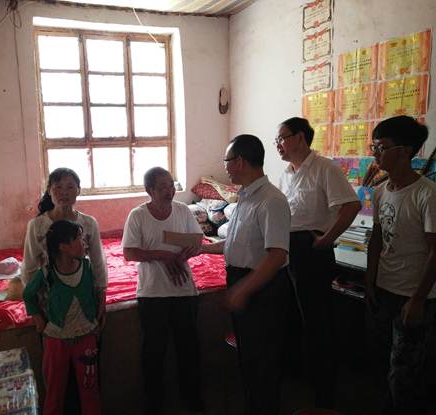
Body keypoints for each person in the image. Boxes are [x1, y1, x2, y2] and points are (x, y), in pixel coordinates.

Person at [202, 135, 293, 415]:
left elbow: (277, 256)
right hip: (245, 283)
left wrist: (242, 289)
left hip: (263, 289)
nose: (226, 167)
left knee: (264, 361)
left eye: (227, 161)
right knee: (249, 357)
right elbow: (236, 243)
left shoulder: (271, 200)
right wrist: (201, 247)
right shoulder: (244, 197)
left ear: (240, 161)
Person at [276, 117, 361, 408]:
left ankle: (325, 392)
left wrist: (327, 238)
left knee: (317, 322)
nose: (278, 145)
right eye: (277, 140)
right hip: (288, 249)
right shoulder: (286, 174)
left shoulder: (325, 168)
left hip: (311, 250)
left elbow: (352, 205)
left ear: (300, 137)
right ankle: (300, 378)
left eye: (282, 138)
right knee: (292, 316)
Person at [364, 116, 436, 414]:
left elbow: (435, 251)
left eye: (381, 147)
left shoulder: (427, 194)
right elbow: (377, 240)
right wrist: (370, 281)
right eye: (374, 147)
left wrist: (417, 299)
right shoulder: (381, 191)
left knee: (404, 374)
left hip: (413, 296)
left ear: (405, 151)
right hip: (384, 290)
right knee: (381, 365)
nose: (375, 153)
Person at [122, 167, 204, 415]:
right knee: (154, 352)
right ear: (150, 191)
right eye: (162, 187)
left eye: (171, 185)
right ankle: (154, 403)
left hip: (183, 291)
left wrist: (186, 253)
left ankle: (192, 399)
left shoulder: (182, 211)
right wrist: (162, 255)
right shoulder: (138, 215)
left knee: (188, 348)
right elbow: (129, 253)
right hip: (152, 293)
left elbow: (197, 240)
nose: (169, 191)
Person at [23, 220, 102, 415]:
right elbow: (28, 294)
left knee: (90, 389)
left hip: (85, 336)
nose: (84, 243)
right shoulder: (47, 273)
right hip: (56, 339)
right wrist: (38, 318)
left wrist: (96, 319)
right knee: (55, 391)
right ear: (63, 247)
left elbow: (96, 292)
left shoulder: (87, 267)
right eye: (78, 239)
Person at [21, 167, 107, 327]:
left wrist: (102, 297)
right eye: (58, 187)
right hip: (50, 294)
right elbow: (29, 266)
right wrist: (35, 309)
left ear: (78, 191)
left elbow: (98, 262)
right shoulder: (37, 225)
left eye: (70, 187)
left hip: (83, 289)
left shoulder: (88, 223)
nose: (64, 192)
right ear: (49, 191)